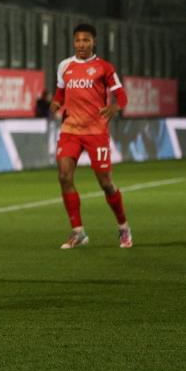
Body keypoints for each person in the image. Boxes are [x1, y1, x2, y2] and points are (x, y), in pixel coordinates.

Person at [51, 23, 131, 249]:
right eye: (77, 40)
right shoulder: (65, 66)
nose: (81, 44)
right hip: (70, 130)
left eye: (86, 40)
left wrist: (115, 108)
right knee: (64, 176)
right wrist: (56, 102)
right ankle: (78, 232)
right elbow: (60, 90)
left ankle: (123, 227)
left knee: (106, 183)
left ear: (93, 42)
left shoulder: (104, 68)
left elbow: (121, 96)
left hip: (96, 131)